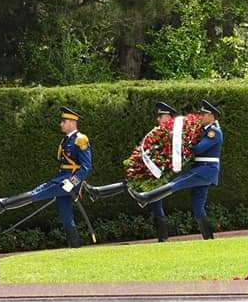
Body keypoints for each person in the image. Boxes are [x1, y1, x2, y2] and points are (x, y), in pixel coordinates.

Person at [0, 106, 92, 248]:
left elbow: (86, 166)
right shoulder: (65, 140)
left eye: (63, 121)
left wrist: (72, 183)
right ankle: (75, 245)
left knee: (37, 193)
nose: (61, 124)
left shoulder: (81, 139)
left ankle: (3, 204)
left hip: (68, 181)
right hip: (62, 178)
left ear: (72, 123)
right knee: (65, 215)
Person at [82, 101, 178, 242]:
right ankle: (163, 238)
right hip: (152, 171)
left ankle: (97, 192)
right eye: (159, 116)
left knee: (141, 193)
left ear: (170, 117)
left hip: (157, 172)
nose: (158, 119)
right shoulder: (161, 131)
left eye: (162, 116)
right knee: (153, 201)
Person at [127, 100, 223, 239]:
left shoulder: (214, 132)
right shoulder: (204, 131)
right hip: (202, 169)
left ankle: (146, 197)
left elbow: (199, 149)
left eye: (204, 114)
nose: (201, 116)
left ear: (212, 116)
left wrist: (185, 143)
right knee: (198, 208)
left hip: (205, 170)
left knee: (177, 183)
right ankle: (209, 239)